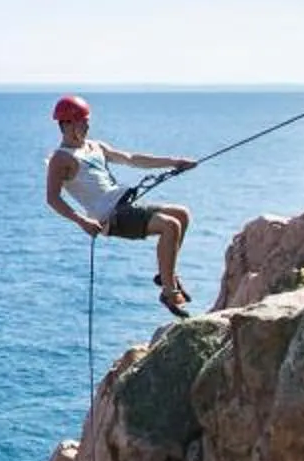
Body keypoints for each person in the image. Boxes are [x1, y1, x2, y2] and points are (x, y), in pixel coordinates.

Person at [45, 95, 197, 316]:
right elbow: (53, 198)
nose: (87, 126)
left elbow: (132, 158)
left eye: (87, 121)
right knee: (170, 225)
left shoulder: (95, 146)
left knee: (182, 214)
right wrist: (82, 221)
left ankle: (166, 275)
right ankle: (168, 290)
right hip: (109, 216)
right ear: (66, 124)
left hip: (124, 204)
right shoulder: (61, 159)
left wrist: (175, 162)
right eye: (81, 121)